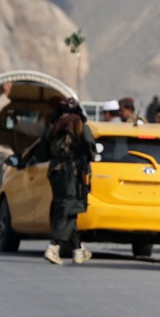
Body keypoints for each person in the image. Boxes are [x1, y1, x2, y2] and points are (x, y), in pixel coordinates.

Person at [43, 99, 96, 265]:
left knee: (69, 209)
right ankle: (54, 246)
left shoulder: (54, 128)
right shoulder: (79, 126)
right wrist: (88, 158)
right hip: (71, 175)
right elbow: (89, 146)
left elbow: (42, 152)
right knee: (67, 209)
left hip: (55, 173)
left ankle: (78, 250)